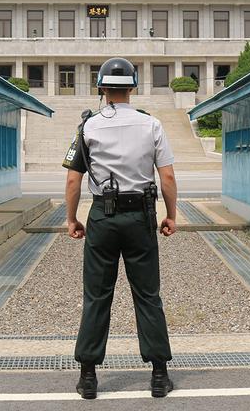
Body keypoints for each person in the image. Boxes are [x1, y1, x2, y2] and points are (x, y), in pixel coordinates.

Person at [63, 57, 177, 400]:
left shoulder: (88, 127)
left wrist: (72, 219)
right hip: (141, 216)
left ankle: (88, 377)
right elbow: (167, 176)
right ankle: (158, 375)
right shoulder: (151, 124)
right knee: (147, 295)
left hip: (104, 217)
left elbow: (73, 180)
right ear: (133, 87)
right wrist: (170, 214)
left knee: (97, 295)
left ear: (101, 88)